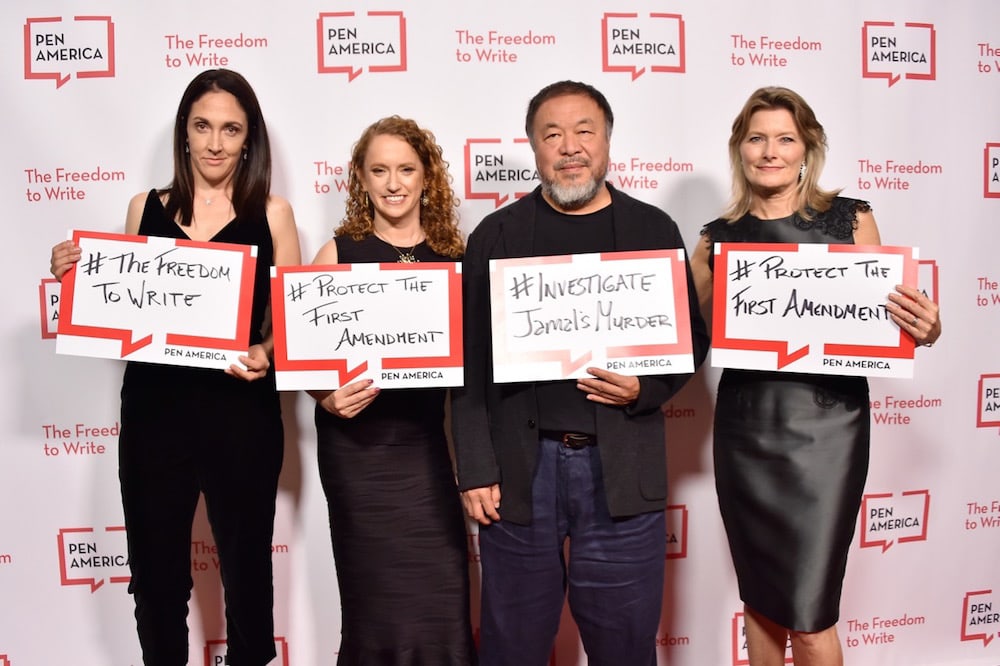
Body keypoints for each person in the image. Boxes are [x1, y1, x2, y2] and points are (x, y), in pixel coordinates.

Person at [452, 80, 710, 666]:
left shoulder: (652, 230)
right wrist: (474, 469)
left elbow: (692, 340)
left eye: (584, 131)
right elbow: (467, 366)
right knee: (511, 648)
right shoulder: (495, 236)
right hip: (519, 475)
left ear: (608, 142)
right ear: (534, 147)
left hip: (620, 472)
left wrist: (647, 390)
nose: (570, 146)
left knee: (624, 648)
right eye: (552, 134)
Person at [49, 68, 301, 666]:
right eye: (203, 126)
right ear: (184, 134)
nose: (216, 143)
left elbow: (288, 323)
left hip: (240, 414)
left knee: (246, 572)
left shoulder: (274, 212)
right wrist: (75, 273)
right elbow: (120, 302)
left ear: (250, 139)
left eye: (231, 129)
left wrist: (266, 352)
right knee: (156, 577)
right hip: (155, 415)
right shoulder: (145, 206)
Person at [690, 86, 942, 666]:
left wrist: (925, 328)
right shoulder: (715, 240)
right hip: (747, 431)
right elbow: (688, 339)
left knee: (810, 615)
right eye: (757, 138)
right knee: (760, 602)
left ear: (807, 150)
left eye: (785, 138)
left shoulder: (851, 219)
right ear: (740, 149)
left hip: (830, 431)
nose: (770, 151)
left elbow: (892, 322)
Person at [307, 116, 477, 665]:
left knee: (443, 592)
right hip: (356, 453)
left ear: (428, 176)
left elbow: (479, 366)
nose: (393, 182)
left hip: (423, 447)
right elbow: (301, 357)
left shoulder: (458, 259)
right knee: (370, 601)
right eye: (379, 170)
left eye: (406, 168)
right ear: (360, 177)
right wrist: (324, 397)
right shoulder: (337, 253)